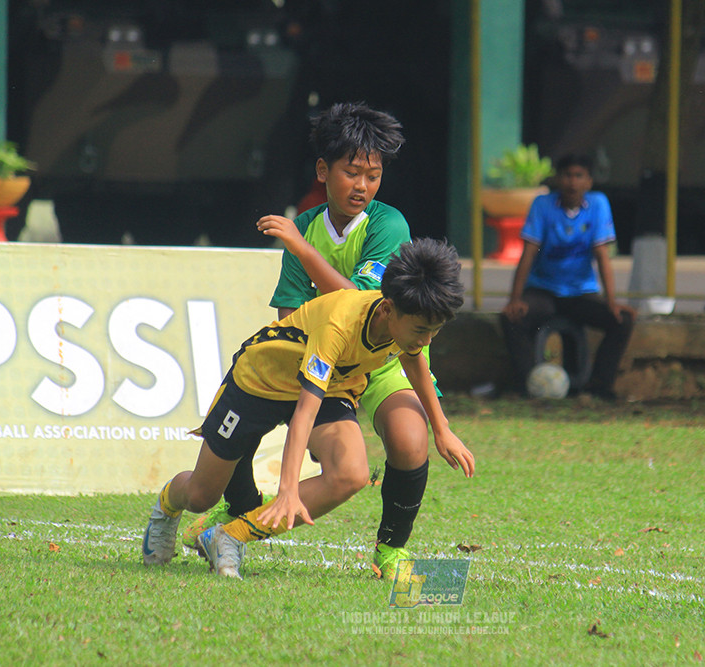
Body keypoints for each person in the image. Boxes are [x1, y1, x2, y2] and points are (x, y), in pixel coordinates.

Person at [177, 102, 445, 579]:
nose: (362, 186)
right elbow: (291, 316)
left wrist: (302, 251)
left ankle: (390, 551)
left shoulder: (387, 225)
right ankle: (233, 518)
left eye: (374, 176)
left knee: (410, 440)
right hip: (321, 362)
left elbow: (362, 304)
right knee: (242, 440)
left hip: (380, 358)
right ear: (323, 171)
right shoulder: (304, 227)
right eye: (352, 173)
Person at [142, 238, 474, 579]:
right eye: (421, 330)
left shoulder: (404, 323)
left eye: (435, 330)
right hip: (259, 382)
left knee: (351, 473)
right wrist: (287, 489)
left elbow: (414, 359)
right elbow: (304, 412)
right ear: (387, 309)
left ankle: (230, 536)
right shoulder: (340, 325)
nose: (427, 340)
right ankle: (167, 505)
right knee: (201, 496)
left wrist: (442, 429)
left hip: (331, 387)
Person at [500, 153, 636, 401]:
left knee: (622, 321)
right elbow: (528, 254)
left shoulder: (598, 204)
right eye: (567, 175)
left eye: (579, 176)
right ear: (557, 179)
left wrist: (611, 302)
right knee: (512, 318)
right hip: (543, 290)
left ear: (589, 182)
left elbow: (602, 256)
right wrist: (515, 299)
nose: (572, 182)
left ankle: (598, 387)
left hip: (581, 292)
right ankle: (528, 385)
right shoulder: (542, 205)